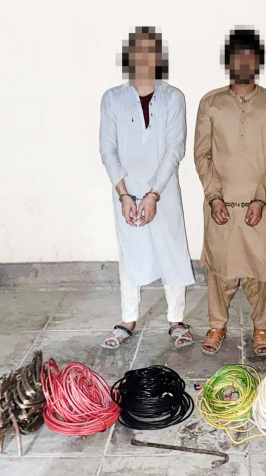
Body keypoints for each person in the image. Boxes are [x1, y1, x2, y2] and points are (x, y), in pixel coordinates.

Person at [194, 28, 266, 357]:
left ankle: (261, 328)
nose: (244, 63)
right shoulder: (211, 103)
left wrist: (261, 197)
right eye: (237, 57)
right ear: (229, 62)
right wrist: (214, 197)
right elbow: (202, 155)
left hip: (261, 203)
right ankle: (217, 324)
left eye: (250, 57)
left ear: (258, 62)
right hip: (221, 202)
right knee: (220, 268)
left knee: (260, 270)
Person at [99, 26, 195, 350]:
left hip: (163, 189)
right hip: (126, 190)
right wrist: (124, 194)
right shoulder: (113, 98)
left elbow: (175, 148)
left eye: (149, 53)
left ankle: (176, 320)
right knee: (130, 252)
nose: (143, 60)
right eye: (137, 53)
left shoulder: (173, 97)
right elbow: (107, 149)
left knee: (172, 250)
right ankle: (128, 319)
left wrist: (154, 194)